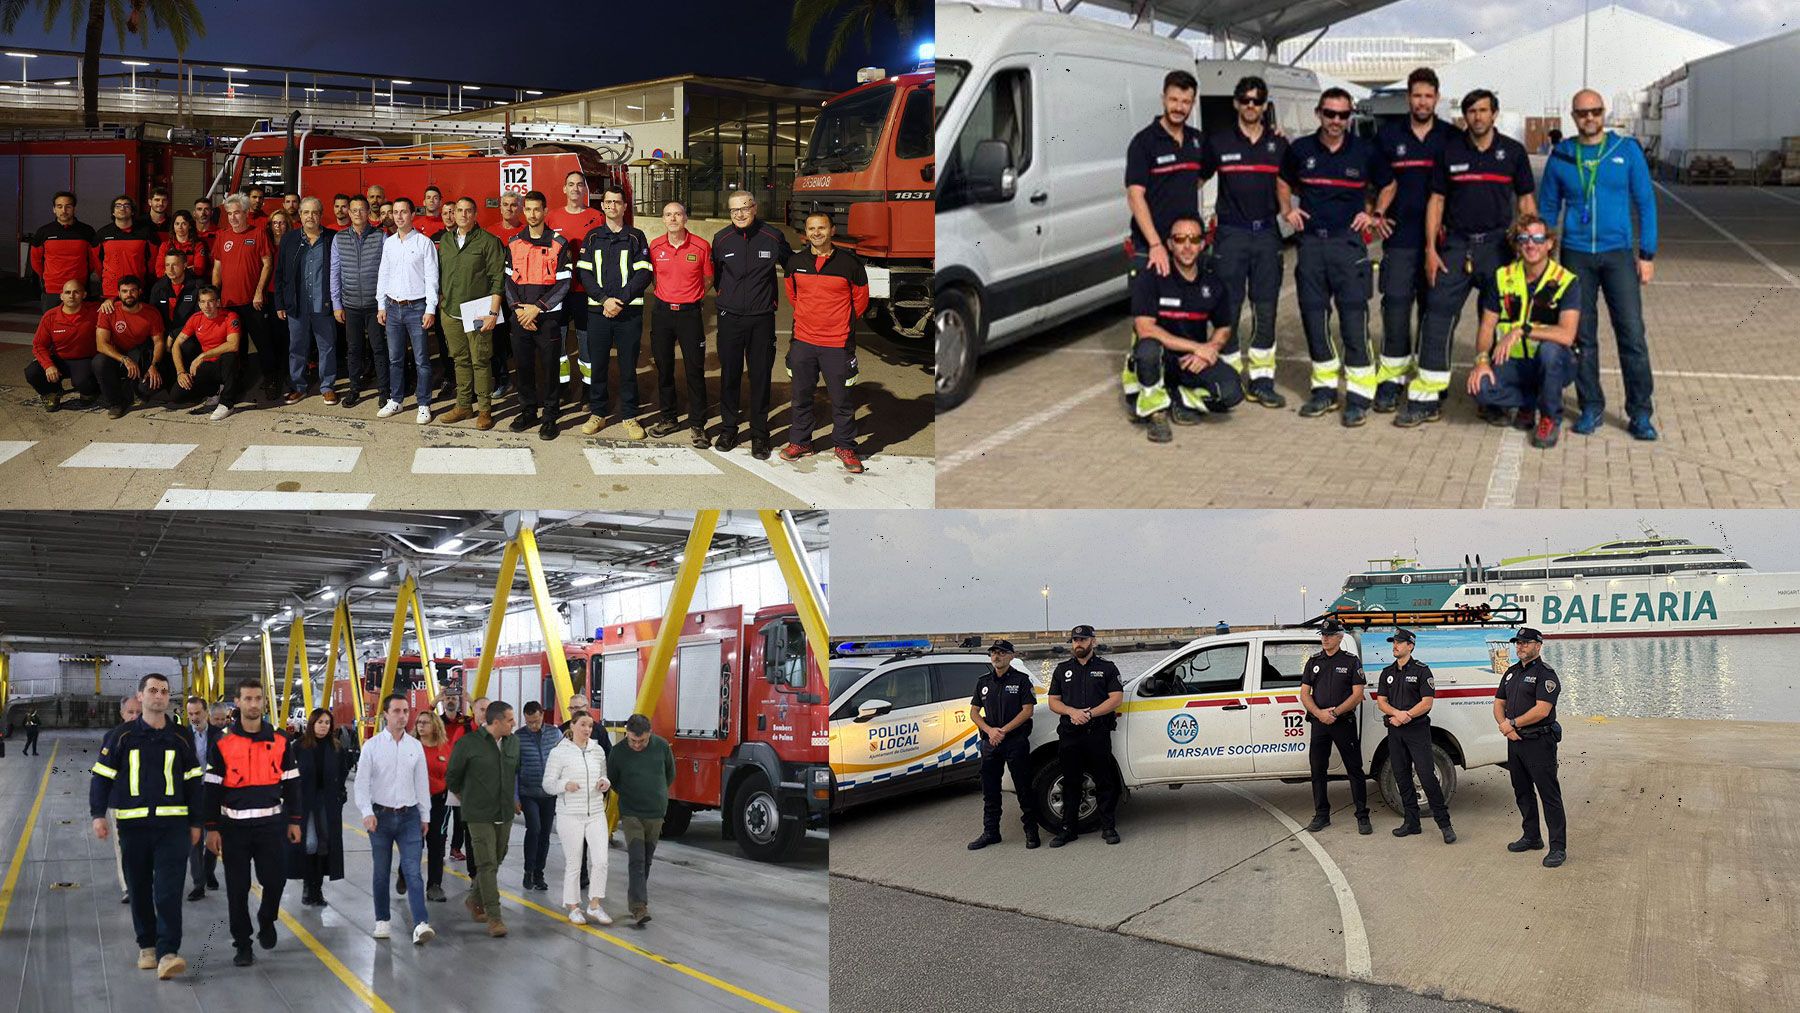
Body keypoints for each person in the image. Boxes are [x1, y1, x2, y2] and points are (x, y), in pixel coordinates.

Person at [1538, 89, 1660, 441]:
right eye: (1582, 113)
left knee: (1632, 335)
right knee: (1582, 336)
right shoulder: (1562, 155)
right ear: (1573, 117)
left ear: (1603, 113)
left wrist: (1647, 254)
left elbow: (1646, 203)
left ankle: (1640, 413)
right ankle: (1591, 405)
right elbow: (1548, 208)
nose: (1589, 118)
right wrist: (1543, 255)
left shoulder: (1626, 151)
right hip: (1576, 255)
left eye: (1595, 111)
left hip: (1618, 254)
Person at [1410, 89, 1536, 427]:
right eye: (1471, 111)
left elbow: (1525, 202)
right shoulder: (1450, 152)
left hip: (1499, 249)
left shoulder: (1512, 152)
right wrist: (1431, 250)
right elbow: (1436, 201)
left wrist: (1530, 250)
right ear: (1464, 116)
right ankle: (1428, 397)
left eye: (1483, 111)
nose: (1477, 117)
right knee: (1437, 316)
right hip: (1455, 245)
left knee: (1497, 323)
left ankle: (1491, 398)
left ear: (1494, 114)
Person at [1280, 88, 1393, 427]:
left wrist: (1376, 214)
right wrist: (1287, 210)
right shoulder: (1300, 149)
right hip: (1312, 245)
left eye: (1343, 115)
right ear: (1318, 113)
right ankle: (1324, 391)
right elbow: (1283, 180)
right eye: (1330, 114)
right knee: (1314, 319)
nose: (1336, 121)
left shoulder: (1364, 151)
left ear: (1350, 117)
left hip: (1348, 246)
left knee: (1353, 321)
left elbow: (1388, 184)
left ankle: (1359, 395)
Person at [89, 673, 203, 980]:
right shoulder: (122, 736)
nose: (159, 695)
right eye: (152, 690)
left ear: (168, 698)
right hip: (134, 827)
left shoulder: (181, 736)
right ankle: (147, 946)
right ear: (141, 696)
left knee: (168, 891)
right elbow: (101, 776)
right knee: (138, 888)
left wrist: (196, 822)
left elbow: (194, 782)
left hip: (173, 827)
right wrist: (98, 814)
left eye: (164, 691)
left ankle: (168, 952)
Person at [1198, 76, 1290, 408]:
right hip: (1231, 235)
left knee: (1265, 308)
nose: (1251, 105)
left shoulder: (1278, 144)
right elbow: (1195, 180)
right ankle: (1230, 374)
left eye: (1257, 100)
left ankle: (1262, 380)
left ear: (1265, 106)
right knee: (1229, 307)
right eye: (1246, 100)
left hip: (1266, 234)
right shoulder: (1219, 142)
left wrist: (1289, 212)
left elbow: (1287, 183)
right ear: (1236, 103)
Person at [1372, 68, 1459, 413]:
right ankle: (1392, 381)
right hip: (1399, 240)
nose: (1422, 102)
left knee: (1432, 311)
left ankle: (1428, 379)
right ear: (1408, 97)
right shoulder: (1388, 136)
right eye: (1417, 95)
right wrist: (1376, 213)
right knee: (1394, 307)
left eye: (1428, 96)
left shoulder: (1452, 137)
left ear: (1437, 98)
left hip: (1440, 243)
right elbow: (1376, 181)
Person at [202, 679, 302, 968]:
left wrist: (295, 821)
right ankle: (243, 943)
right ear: (238, 703)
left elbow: (293, 785)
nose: (254, 704)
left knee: (275, 880)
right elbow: (212, 787)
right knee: (237, 888)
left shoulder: (281, 741)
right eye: (248, 699)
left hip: (271, 826)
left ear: (263, 703)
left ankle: (267, 917)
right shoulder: (222, 743)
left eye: (258, 698)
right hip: (233, 829)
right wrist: (212, 827)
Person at [1119, 213, 1244, 442]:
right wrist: (1198, 347)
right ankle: (1155, 413)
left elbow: (1224, 328)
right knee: (1148, 349)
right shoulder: (1152, 277)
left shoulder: (1212, 283)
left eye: (1194, 240)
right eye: (1179, 239)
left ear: (1203, 244)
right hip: (1160, 360)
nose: (1187, 246)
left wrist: (1210, 350)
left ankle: (1178, 398)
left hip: (1191, 363)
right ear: (1169, 244)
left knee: (1232, 392)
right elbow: (1145, 328)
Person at [1466, 214, 1582, 448]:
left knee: (1549, 351)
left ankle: (1549, 417)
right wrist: (1481, 361)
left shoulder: (1566, 281)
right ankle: (1529, 404)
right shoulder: (1501, 277)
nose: (1531, 244)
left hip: (1554, 364)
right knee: (1480, 388)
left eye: (1538, 238)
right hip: (1515, 363)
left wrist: (1523, 330)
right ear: (1517, 244)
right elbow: (1487, 326)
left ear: (1549, 243)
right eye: (1524, 238)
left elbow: (1567, 335)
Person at [781, 213, 869, 472]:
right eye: (811, 228)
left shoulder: (850, 264)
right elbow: (793, 295)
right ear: (805, 233)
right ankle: (801, 442)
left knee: (841, 400)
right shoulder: (795, 262)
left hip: (837, 344)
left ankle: (845, 446)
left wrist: (837, 323)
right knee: (801, 397)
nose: (816, 232)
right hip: (803, 342)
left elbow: (860, 301)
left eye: (821, 228)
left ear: (832, 230)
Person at [353, 693, 435, 944]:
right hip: (380, 817)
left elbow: (421, 783)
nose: (402, 716)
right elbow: (361, 784)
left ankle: (421, 924)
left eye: (406, 711)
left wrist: (425, 815)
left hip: (409, 817)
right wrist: (366, 812)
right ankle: (382, 919)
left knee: (413, 871)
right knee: (381, 870)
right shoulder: (372, 746)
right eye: (397, 711)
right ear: (385, 714)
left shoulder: (415, 746)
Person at [711, 191, 788, 458]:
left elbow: (792, 268)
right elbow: (718, 277)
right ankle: (729, 429)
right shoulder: (721, 239)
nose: (739, 214)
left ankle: (759, 434)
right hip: (729, 319)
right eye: (734, 210)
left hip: (762, 319)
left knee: (760, 377)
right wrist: (727, 301)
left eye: (744, 208)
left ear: (754, 208)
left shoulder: (773, 236)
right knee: (729, 376)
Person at [576, 184, 654, 438]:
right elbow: (584, 273)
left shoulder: (636, 236)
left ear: (624, 206)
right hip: (598, 312)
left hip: (628, 313)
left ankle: (630, 416)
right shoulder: (592, 237)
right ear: (603, 206)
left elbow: (643, 273)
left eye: (617, 202)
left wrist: (618, 300)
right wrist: (603, 300)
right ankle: (598, 413)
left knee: (628, 367)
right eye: (608, 202)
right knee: (598, 365)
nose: (612, 206)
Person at [1371, 630, 1454, 843]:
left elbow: (1427, 702)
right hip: (1395, 730)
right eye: (1393, 642)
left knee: (1427, 776)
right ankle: (1411, 822)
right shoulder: (1387, 672)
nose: (1395, 645)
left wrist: (1406, 715)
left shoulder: (1422, 671)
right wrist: (1396, 715)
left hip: (1417, 731)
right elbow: (1381, 701)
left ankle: (1444, 824)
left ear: (1410, 646)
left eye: (1399, 642)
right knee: (1401, 776)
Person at [446, 699, 520, 937]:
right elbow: (453, 777)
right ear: (496, 721)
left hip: (504, 811)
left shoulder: (513, 743)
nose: (514, 723)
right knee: (486, 863)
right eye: (510, 720)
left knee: (497, 857)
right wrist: (468, 797)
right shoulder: (468, 744)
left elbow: (514, 773)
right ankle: (495, 917)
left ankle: (473, 898)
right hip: (478, 814)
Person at [505, 190, 574, 440]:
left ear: (545, 212)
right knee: (523, 368)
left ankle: (550, 416)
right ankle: (528, 411)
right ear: (524, 211)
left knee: (550, 370)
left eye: (537, 209)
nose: (533, 214)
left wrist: (538, 308)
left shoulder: (558, 243)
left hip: (548, 319)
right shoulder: (513, 243)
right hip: (521, 317)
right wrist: (520, 310)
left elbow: (564, 283)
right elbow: (508, 281)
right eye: (529, 209)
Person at [1046, 624, 1124, 847]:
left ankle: (1108, 827)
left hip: (1097, 732)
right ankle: (1068, 829)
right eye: (1074, 640)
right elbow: (1053, 701)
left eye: (1082, 639)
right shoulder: (1061, 670)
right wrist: (1072, 712)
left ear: (1093, 641)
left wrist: (1089, 713)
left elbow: (1116, 698)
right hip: (1070, 735)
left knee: (1104, 780)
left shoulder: (1107, 668)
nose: (1078, 643)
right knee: (1071, 782)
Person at [1495, 627, 1566, 868]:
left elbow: (1542, 710)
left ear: (1538, 645)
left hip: (1539, 742)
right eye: (1518, 643)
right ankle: (1532, 836)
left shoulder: (1546, 674)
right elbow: (1498, 703)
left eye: (1525, 643)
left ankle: (1557, 847)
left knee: (1549, 795)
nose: (1520, 646)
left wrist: (1512, 723)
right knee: (1522, 791)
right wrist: (1505, 726)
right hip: (1515, 742)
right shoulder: (1511, 673)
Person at [1124, 69, 1203, 278]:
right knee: (1149, 311)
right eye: (1174, 99)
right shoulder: (1143, 143)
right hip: (1152, 249)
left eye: (1186, 102)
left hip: (1187, 248)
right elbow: (1135, 196)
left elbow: (1207, 172)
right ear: (1163, 99)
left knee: (1187, 310)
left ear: (1193, 104)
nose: (1179, 107)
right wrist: (1155, 244)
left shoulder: (1197, 141)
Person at [646, 200, 713, 446]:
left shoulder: (701, 246)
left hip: (689, 315)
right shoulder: (655, 246)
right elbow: (653, 278)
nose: (673, 218)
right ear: (663, 220)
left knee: (694, 370)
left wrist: (690, 297)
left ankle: (698, 425)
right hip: (663, 312)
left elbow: (708, 279)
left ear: (685, 218)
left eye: (677, 214)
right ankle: (668, 418)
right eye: (668, 215)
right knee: (664, 369)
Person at [437, 196, 505, 430]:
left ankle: (485, 410)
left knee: (481, 361)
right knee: (460, 360)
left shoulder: (488, 241)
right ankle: (464, 405)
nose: (463, 215)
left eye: (468, 211)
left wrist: (493, 313)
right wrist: (441, 303)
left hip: (478, 311)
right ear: (453, 214)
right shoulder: (445, 241)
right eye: (459, 211)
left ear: (475, 215)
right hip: (451, 311)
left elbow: (498, 278)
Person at [1300, 619, 1372, 835]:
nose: (1325, 638)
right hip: (1320, 723)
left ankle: (1362, 816)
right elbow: (1304, 694)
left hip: (1343, 722)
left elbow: (1358, 694)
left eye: (1329, 635)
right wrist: (1320, 713)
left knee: (1354, 769)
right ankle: (1322, 815)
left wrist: (1334, 713)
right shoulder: (1313, 662)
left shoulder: (1351, 661)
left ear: (1340, 638)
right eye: (1323, 635)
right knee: (1318, 769)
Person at [966, 640, 1039, 851]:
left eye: (1001, 653)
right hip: (991, 742)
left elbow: (1027, 711)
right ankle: (991, 832)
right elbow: (974, 712)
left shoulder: (1022, 680)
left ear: (1011, 656)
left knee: (1024, 787)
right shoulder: (983, 682)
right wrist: (990, 731)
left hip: (1014, 741)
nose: (996, 656)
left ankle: (1031, 831)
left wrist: (1003, 730)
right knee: (990, 790)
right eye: (993, 653)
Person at [542, 709, 613, 924]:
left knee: (601, 861)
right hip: (570, 814)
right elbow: (548, 784)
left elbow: (604, 775)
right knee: (574, 862)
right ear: (571, 726)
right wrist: (565, 785)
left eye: (590, 726)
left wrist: (605, 783)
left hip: (596, 813)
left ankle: (595, 904)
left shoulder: (597, 750)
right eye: (582, 724)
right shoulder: (559, 752)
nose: (587, 729)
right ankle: (573, 906)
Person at [375, 197, 440, 424]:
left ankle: (423, 404)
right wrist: (381, 305)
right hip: (393, 308)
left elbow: (432, 279)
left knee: (422, 359)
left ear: (413, 214)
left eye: (403, 212)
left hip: (416, 308)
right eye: (395, 212)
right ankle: (396, 399)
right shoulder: (389, 243)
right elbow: (383, 274)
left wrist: (430, 309)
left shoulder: (424, 243)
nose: (399, 216)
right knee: (395, 358)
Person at [545, 171, 606, 409]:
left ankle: (589, 390)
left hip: (586, 291)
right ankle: (562, 386)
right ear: (564, 189)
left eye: (580, 185)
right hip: (558, 292)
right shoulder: (552, 217)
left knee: (586, 341)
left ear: (586, 190)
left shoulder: (597, 217)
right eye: (571, 184)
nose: (575, 189)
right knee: (558, 341)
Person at [608, 713, 673, 929]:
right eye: (632, 740)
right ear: (626, 734)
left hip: (655, 813)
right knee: (636, 859)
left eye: (642, 741)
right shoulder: (617, 753)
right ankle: (638, 907)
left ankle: (636, 899)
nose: (636, 745)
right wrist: (631, 796)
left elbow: (669, 774)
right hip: (631, 813)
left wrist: (657, 795)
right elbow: (613, 780)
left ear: (650, 734)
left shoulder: (662, 747)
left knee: (647, 860)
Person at [273, 197, 339, 405]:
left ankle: (327, 386)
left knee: (326, 346)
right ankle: (298, 386)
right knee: (297, 347)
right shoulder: (289, 239)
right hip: (297, 304)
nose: (310, 216)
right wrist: (280, 303)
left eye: (314, 212)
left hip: (323, 304)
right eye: (306, 212)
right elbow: (281, 273)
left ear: (321, 215)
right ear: (300, 215)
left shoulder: (331, 238)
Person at [209, 195, 273, 402]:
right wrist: (215, 294)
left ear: (246, 213)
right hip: (228, 304)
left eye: (237, 212)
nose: (233, 217)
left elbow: (267, 263)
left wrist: (258, 291)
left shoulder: (258, 233)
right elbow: (217, 267)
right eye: (229, 213)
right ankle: (237, 383)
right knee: (237, 347)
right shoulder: (222, 236)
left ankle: (271, 379)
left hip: (252, 301)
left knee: (264, 343)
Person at [290, 708, 354, 908]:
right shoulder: (298, 747)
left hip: (327, 803)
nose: (324, 725)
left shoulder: (336, 748)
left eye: (327, 722)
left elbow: (342, 772)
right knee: (310, 843)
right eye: (320, 722)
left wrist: (340, 794)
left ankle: (316, 889)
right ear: (312, 724)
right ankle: (308, 886)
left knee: (324, 844)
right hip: (305, 803)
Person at [332, 195, 388, 410]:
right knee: (354, 349)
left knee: (379, 348)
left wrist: (383, 303)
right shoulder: (339, 238)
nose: (357, 214)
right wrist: (337, 303)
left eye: (361, 210)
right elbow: (335, 272)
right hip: (351, 305)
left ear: (368, 213)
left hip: (375, 306)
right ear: (349, 212)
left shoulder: (380, 236)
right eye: (353, 210)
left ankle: (384, 391)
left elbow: (387, 270)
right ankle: (355, 389)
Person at [93, 275, 170, 417]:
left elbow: (159, 342)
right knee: (99, 362)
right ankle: (115, 403)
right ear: (118, 294)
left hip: (140, 356)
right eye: (124, 291)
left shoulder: (151, 312)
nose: (129, 294)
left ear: (140, 291)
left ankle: (132, 389)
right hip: (118, 357)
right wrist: (124, 359)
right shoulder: (109, 311)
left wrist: (154, 366)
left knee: (146, 389)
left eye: (133, 290)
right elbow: (101, 344)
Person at [26, 279, 101, 411]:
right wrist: (48, 365)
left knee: (82, 383)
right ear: (61, 296)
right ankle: (52, 392)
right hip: (59, 358)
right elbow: (38, 345)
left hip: (83, 359)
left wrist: (108, 302)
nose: (71, 296)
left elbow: (117, 307)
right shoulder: (50, 316)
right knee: (32, 372)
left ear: (84, 295)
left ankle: (89, 392)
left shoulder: (95, 311)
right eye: (67, 292)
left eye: (76, 292)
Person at [172, 286, 245, 421]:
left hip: (227, 367)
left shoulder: (230, 317)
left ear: (217, 302)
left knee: (229, 356)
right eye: (203, 302)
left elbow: (233, 345)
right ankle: (214, 391)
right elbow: (176, 345)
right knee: (177, 395)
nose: (207, 306)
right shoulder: (195, 318)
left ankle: (227, 404)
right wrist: (180, 372)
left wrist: (203, 356)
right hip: (208, 367)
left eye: (211, 301)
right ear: (199, 304)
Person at [514, 701, 563, 892]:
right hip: (528, 793)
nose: (532, 725)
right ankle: (528, 871)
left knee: (545, 834)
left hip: (549, 794)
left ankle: (539, 873)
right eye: (528, 722)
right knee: (534, 829)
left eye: (535, 721)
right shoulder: (518, 737)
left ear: (542, 715)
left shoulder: (554, 733)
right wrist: (515, 797)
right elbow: (515, 770)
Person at [182, 696, 222, 901]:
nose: (194, 718)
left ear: (206, 712)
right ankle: (199, 883)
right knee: (194, 841)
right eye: (190, 714)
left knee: (212, 838)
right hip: (191, 794)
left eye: (198, 713)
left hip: (213, 793)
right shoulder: (182, 737)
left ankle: (209, 871)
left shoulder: (219, 736)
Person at [28, 190, 95, 312]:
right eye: (59, 206)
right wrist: (48, 277)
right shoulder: (43, 232)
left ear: (74, 208)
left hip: (78, 288)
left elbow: (93, 260)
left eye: (68, 206)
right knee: (52, 325)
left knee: (81, 326)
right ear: (54, 209)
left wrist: (81, 275)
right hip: (52, 289)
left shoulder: (87, 231)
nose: (64, 210)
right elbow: (35, 261)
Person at [416, 709, 453, 903]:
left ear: (435, 726)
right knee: (415, 842)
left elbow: (451, 772)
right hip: (414, 803)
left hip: (438, 801)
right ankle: (406, 874)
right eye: (419, 722)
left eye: (425, 722)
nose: (421, 726)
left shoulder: (444, 748)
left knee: (437, 842)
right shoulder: (411, 746)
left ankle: (434, 885)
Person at [93, 195, 159, 304]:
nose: (122, 208)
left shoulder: (146, 233)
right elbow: (96, 262)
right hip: (110, 291)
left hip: (137, 289)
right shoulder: (102, 234)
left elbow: (153, 261)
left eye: (126, 205)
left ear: (132, 211)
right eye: (118, 206)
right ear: (113, 212)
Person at [149, 249, 202, 338]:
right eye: (167, 265)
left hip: (188, 335)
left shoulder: (198, 286)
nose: (170, 269)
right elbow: (152, 316)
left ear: (185, 265)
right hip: (163, 333)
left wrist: (174, 335)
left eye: (175, 265)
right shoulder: (158, 287)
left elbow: (199, 319)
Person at [157, 211, 211, 283]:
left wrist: (173, 271)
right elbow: (159, 271)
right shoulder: (165, 246)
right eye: (177, 224)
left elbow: (199, 270)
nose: (180, 227)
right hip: (169, 282)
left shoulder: (198, 245)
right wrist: (187, 269)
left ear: (190, 226)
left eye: (184, 224)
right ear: (173, 226)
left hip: (191, 283)